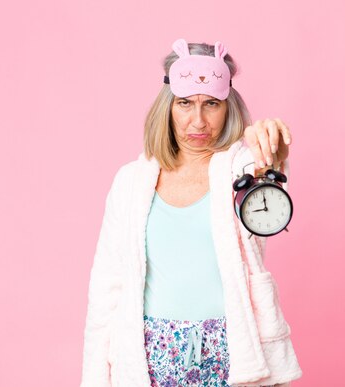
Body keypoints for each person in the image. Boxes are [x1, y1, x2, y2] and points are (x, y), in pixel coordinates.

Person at [80, 38, 303, 387]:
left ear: (227, 107)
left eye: (211, 104)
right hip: (149, 360)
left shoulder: (240, 170)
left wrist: (273, 156)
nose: (197, 121)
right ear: (167, 107)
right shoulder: (131, 182)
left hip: (231, 356)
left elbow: (267, 206)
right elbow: (106, 291)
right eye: (185, 103)